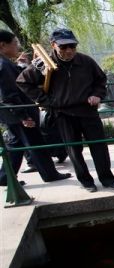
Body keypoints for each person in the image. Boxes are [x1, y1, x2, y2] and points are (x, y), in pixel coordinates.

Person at [17, 28, 114, 192]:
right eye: (64, 47)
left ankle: (107, 179)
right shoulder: (44, 63)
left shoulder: (86, 61)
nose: (69, 50)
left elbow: (101, 80)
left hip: (88, 111)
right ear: (53, 45)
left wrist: (97, 95)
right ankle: (86, 181)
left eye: (72, 46)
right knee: (74, 150)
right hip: (63, 114)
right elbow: (23, 82)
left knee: (99, 146)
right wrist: (47, 100)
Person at [0, 29, 71, 186]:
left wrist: (24, 66)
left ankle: (4, 177)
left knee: (15, 144)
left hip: (10, 113)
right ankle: (50, 174)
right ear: (3, 45)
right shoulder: (3, 66)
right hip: (19, 112)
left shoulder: (5, 63)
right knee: (36, 143)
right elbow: (9, 95)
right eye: (15, 44)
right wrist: (24, 116)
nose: (17, 47)